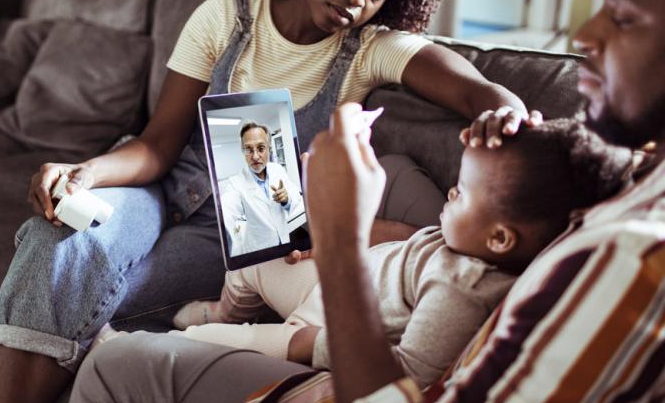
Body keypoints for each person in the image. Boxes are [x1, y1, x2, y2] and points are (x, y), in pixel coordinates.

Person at [0, 0, 532, 403]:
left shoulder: (373, 50)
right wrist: (87, 172)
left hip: (238, 242)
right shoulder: (227, 15)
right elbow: (158, 144)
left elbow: (484, 93)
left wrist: (503, 116)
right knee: (56, 237)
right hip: (159, 188)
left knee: (62, 283)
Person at [50, 0, 665, 403]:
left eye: (624, 17)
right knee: (68, 256)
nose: (584, 37)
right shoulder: (633, 183)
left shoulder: (632, 252)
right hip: (262, 247)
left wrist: (341, 239)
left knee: (114, 362)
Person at [166, 119, 631, 388]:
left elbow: (409, 374)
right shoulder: (464, 240)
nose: (450, 191)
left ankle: (156, 346)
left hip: (324, 329)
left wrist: (308, 344)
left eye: (462, 192)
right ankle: (225, 311)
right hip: (334, 282)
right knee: (257, 250)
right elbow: (403, 242)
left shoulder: (464, 289)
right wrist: (329, 239)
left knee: (216, 349)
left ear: (502, 239)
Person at [222, 121, 303, 255]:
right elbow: (225, 210)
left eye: (260, 148)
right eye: (248, 149)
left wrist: (286, 199)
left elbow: (296, 197)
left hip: (284, 239)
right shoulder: (235, 183)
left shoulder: (278, 169)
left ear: (269, 149)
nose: (255, 156)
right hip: (259, 248)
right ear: (243, 151)